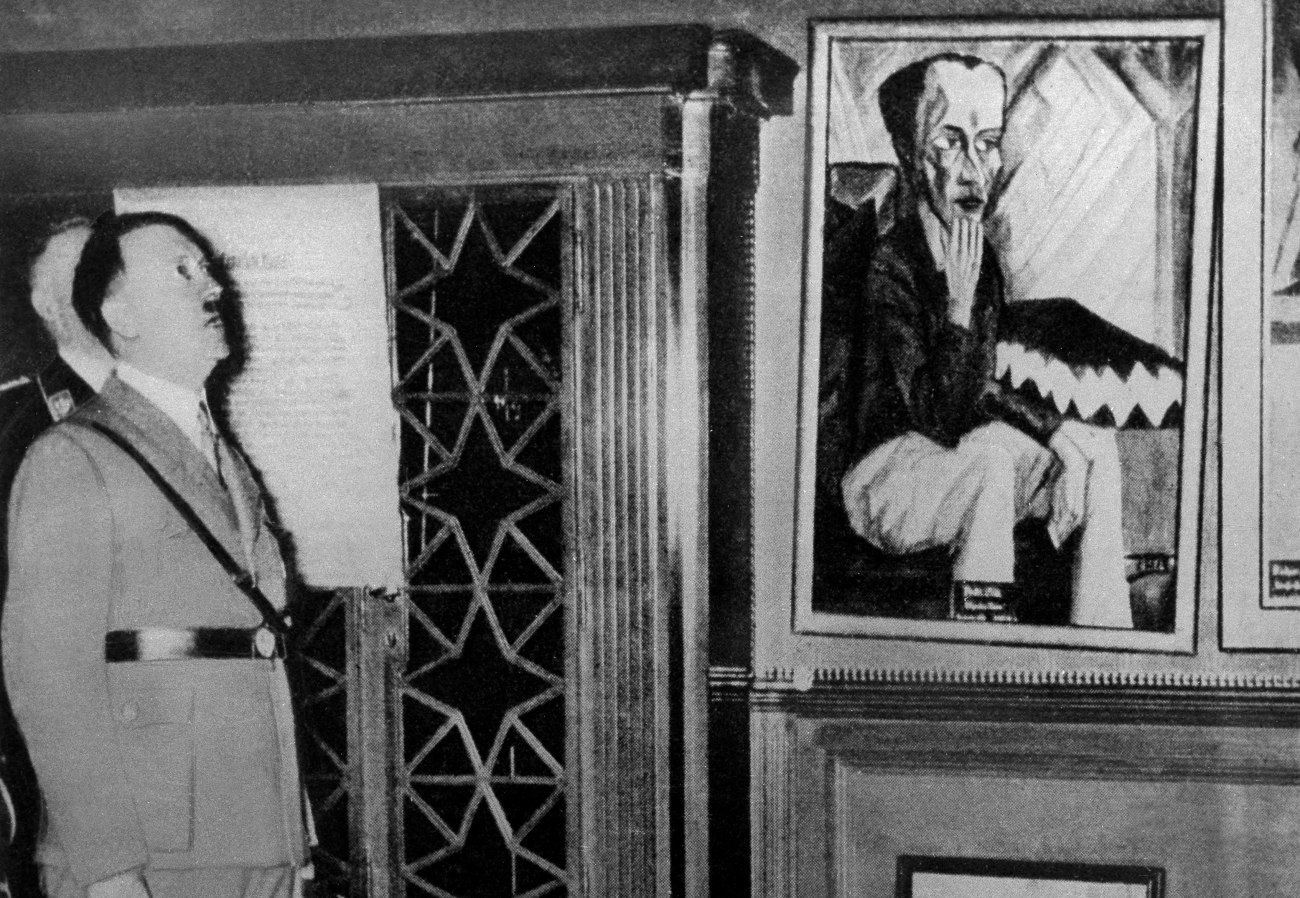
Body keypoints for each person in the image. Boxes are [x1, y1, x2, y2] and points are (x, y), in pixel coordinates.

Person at [2, 211, 313, 898]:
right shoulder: (72, 456)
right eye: (181, 270)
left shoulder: (218, 451)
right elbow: (48, 676)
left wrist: (292, 841)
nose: (213, 287)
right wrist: (108, 867)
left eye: (207, 268)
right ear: (120, 315)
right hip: (149, 851)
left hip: (253, 838)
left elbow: (256, 648)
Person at [838, 53, 1132, 627]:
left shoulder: (982, 261)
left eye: (988, 142)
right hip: (882, 477)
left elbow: (986, 385)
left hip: (958, 455)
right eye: (950, 142)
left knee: (1094, 446)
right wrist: (956, 308)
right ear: (910, 152)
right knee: (991, 463)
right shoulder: (889, 265)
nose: (975, 170)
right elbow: (937, 413)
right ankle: (983, 640)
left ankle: (1105, 638)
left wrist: (1059, 437)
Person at [0, 218, 114, 898]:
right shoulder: (16, 426)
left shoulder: (178, 412)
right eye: (81, 274)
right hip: (47, 751)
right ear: (46, 304)